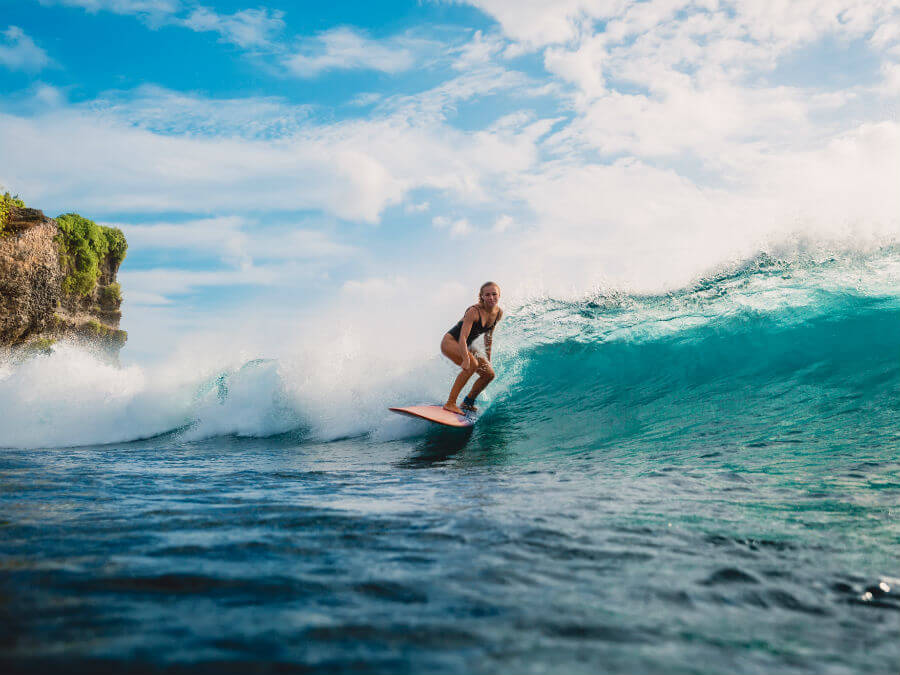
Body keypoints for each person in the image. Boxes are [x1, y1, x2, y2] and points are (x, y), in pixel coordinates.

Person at [441, 281, 503, 414]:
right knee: (471, 364)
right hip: (451, 342)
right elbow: (462, 337)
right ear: (482, 297)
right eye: (487, 295)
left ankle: (468, 402)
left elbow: (489, 337)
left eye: (494, 294)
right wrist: (465, 358)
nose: (491, 297)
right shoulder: (473, 311)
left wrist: (488, 360)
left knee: (489, 374)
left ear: (499, 295)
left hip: (467, 346)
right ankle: (450, 403)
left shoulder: (498, 313)